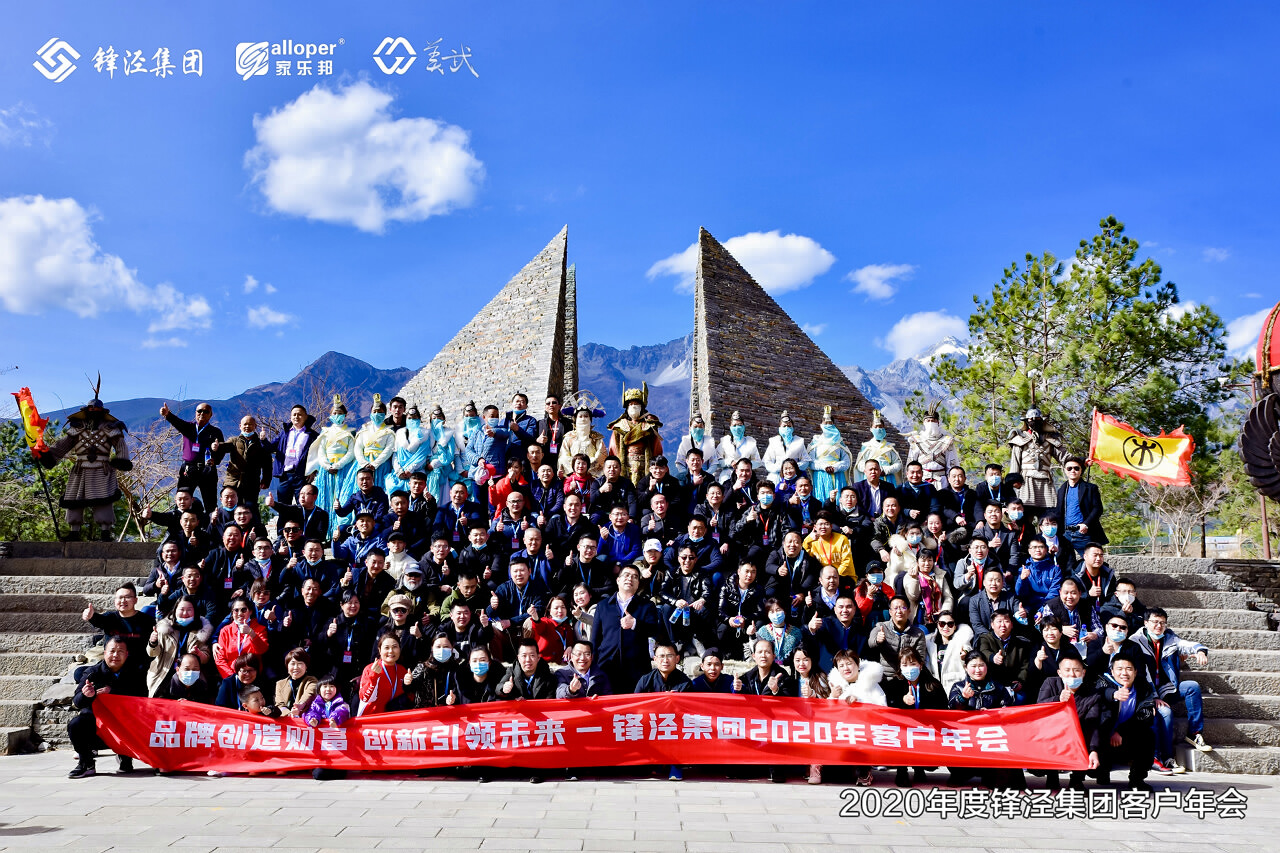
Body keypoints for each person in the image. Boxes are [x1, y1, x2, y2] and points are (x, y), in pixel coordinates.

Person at [36, 385, 133, 541]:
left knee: (104, 500)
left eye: (96, 410)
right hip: (80, 469)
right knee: (73, 499)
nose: (93, 412)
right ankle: (74, 531)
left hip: (102, 469)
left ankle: (105, 532)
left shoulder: (111, 429)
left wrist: (122, 460)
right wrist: (47, 455)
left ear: (103, 412)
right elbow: (63, 445)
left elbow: (120, 445)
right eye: (90, 410)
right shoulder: (76, 429)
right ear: (85, 411)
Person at [1129, 607, 1213, 773]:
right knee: (1165, 714)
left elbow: (1186, 645)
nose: (1158, 626)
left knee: (1192, 687)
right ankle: (1162, 757)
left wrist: (1200, 651)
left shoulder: (1169, 638)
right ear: (1146, 623)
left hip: (1167, 689)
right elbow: (1139, 675)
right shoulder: (1135, 641)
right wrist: (1152, 697)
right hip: (1144, 692)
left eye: (1162, 623)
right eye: (1155, 622)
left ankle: (1194, 733)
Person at [66, 636, 146, 778]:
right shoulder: (92, 673)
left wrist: (113, 693)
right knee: (76, 724)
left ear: (127, 654)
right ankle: (86, 763)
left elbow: (142, 699)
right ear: (104, 653)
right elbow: (77, 702)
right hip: (99, 728)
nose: (115, 655)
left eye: (120, 651)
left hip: (126, 727)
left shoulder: (136, 672)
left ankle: (125, 756)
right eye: (112, 651)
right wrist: (86, 695)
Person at [595, 565, 669, 693]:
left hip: (637, 667)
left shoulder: (647, 605)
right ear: (618, 580)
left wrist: (635, 623)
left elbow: (655, 631)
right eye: (626, 575)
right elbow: (595, 639)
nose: (630, 578)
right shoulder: (603, 606)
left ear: (638, 584)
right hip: (607, 666)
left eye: (635, 577)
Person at [1036, 654, 1103, 790]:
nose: (1072, 674)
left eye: (1076, 670)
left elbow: (1093, 723)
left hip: (1077, 733)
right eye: (1067, 670)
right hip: (1052, 732)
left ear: (1083, 673)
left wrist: (1093, 750)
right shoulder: (1050, 682)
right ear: (1059, 672)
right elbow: (1039, 707)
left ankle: (1077, 779)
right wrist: (1057, 700)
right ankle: (1052, 776)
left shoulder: (1093, 694)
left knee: (1086, 735)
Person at [883, 647, 948, 787]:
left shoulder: (933, 684)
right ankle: (902, 771)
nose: (909, 668)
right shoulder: (894, 684)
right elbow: (887, 708)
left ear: (921, 664)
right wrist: (902, 701)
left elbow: (943, 707)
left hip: (927, 730)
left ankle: (919, 768)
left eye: (913, 664)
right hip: (903, 731)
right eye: (904, 665)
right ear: (900, 666)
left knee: (930, 761)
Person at [1097, 652, 1157, 792]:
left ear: (1135, 672)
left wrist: (1120, 731)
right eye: (1119, 669)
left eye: (1129, 669)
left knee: (1148, 735)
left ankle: (1137, 779)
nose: (1124, 673)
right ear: (1112, 671)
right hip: (1103, 737)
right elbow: (1099, 695)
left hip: (1127, 736)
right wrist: (1113, 694)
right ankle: (1101, 771)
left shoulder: (1143, 686)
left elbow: (1146, 714)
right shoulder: (1102, 682)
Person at [307, 396, 358, 539]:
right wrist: (326, 464)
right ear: (330, 415)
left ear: (345, 415)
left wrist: (338, 464)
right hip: (326, 471)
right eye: (334, 413)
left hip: (344, 469)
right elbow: (321, 451)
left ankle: (340, 531)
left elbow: (351, 451)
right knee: (325, 500)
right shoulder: (325, 432)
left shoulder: (350, 432)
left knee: (341, 499)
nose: (337, 416)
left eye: (340, 413)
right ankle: (325, 532)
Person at [160, 400, 224, 510]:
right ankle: (179, 526)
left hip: (207, 470)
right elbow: (177, 422)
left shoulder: (216, 432)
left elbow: (222, 450)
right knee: (182, 502)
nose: (202, 413)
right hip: (188, 469)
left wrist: (216, 459)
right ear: (195, 413)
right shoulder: (188, 427)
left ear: (211, 415)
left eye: (206, 411)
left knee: (210, 504)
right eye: (199, 411)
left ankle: (211, 526)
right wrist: (168, 414)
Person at [145, 597, 213, 698]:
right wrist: (153, 642)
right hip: (165, 672)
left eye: (189, 610)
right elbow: (152, 653)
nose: (185, 613)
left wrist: (199, 654)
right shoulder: (164, 629)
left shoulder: (201, 631)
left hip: (190, 674)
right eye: (181, 609)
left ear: (195, 612)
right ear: (175, 610)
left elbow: (206, 657)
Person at [82, 583, 155, 674]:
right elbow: (98, 620)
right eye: (119, 598)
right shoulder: (110, 618)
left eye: (127, 597)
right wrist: (90, 615)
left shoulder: (147, 621)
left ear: (135, 600)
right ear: (115, 601)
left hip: (137, 667)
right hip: (114, 665)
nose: (123, 601)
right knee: (80, 672)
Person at [1008, 407, 1066, 520]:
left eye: (1037, 419)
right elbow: (1015, 462)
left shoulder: (1050, 438)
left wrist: (1081, 461)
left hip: (1045, 482)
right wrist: (1014, 480)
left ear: (1042, 420)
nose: (1034, 421)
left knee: (1048, 517)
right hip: (1026, 481)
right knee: (1024, 517)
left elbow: (1064, 457)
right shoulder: (1019, 438)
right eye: (1031, 419)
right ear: (1026, 421)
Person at [210, 415, 273, 511]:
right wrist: (217, 446)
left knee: (251, 509)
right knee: (231, 508)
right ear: (240, 426)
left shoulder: (260, 444)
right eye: (245, 424)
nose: (247, 426)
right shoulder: (234, 440)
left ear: (255, 426)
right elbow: (226, 446)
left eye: (250, 424)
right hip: (233, 481)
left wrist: (266, 480)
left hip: (252, 483)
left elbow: (267, 464)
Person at [866, 596, 928, 688]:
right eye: (895, 608)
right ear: (890, 612)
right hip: (886, 679)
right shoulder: (881, 627)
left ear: (909, 611)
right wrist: (878, 640)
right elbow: (871, 643)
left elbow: (920, 658)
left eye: (903, 608)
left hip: (908, 679)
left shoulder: (918, 633)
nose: (899, 611)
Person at [790, 645, 831, 784]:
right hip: (797, 721)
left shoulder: (821, 678)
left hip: (817, 720)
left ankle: (815, 766)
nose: (801, 664)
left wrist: (813, 695)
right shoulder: (792, 680)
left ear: (812, 660)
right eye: (798, 660)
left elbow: (829, 701)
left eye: (805, 659)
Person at [975, 609, 1032, 701]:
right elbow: (983, 651)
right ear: (992, 625)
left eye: (1006, 621)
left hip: (1012, 684)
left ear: (1012, 624)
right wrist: (993, 657)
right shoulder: (985, 638)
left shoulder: (1020, 643)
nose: (1003, 625)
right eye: (999, 621)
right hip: (991, 684)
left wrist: (1020, 681)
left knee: (1021, 698)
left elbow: (1024, 666)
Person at [715, 562, 768, 659]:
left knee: (760, 624)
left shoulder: (758, 589)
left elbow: (761, 612)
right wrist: (729, 619)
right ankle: (724, 654)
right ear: (739, 572)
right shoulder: (726, 587)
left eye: (753, 572)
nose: (749, 575)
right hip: (731, 621)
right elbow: (720, 611)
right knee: (722, 628)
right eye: (746, 571)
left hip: (747, 622)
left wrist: (745, 619)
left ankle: (753, 652)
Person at [1057, 456, 1107, 554]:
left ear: (1081, 470)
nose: (1073, 470)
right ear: (1065, 470)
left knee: (1092, 562)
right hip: (1065, 534)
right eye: (1069, 468)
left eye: (1076, 468)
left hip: (1083, 533)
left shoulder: (1090, 488)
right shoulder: (1061, 490)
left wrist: (1086, 524)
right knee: (1065, 565)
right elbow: (1058, 511)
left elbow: (1098, 509)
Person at [270, 405, 318, 507]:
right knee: (283, 506)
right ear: (290, 417)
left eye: (300, 414)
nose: (296, 417)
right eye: (294, 414)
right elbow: (270, 447)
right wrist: (263, 440)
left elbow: (318, 455)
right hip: (285, 475)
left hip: (302, 475)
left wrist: (314, 470)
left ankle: (304, 523)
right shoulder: (284, 433)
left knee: (304, 505)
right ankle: (283, 523)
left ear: (306, 417)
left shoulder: (312, 435)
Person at [905, 402, 959, 488]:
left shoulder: (947, 441)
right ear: (924, 422)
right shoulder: (916, 441)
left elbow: (952, 465)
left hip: (942, 481)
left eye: (933, 421)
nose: (931, 423)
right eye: (928, 421)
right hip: (921, 480)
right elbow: (911, 463)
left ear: (938, 422)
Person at [358, 633, 411, 715]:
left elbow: (409, 697)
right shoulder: (370, 669)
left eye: (395, 647)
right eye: (386, 647)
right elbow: (365, 698)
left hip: (395, 719)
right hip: (372, 719)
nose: (391, 651)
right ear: (379, 650)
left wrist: (408, 685)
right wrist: (374, 676)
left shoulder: (402, 670)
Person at [810, 406, 854, 501]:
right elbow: (811, 462)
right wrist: (824, 467)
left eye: (830, 423)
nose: (828, 425)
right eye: (826, 423)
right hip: (821, 476)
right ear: (821, 424)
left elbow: (846, 462)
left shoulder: (840, 443)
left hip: (838, 475)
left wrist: (836, 467)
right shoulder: (815, 442)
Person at [925, 609, 972, 695]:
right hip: (936, 688)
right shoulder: (929, 643)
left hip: (955, 687)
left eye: (950, 624)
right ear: (938, 625)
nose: (945, 627)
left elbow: (967, 648)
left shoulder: (961, 641)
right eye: (942, 624)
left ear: (955, 626)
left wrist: (965, 656)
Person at [1015, 536, 1063, 616]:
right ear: (1029, 551)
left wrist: (1042, 610)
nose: (1037, 550)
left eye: (1041, 547)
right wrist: (1022, 580)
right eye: (1034, 547)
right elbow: (1020, 594)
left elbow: (1054, 593)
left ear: (1046, 549)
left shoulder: (1055, 570)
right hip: (1028, 608)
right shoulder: (1023, 570)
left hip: (1049, 607)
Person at [560, 404, 609, 479]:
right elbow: (564, 457)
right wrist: (577, 468)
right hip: (573, 477)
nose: (583, 419)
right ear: (575, 419)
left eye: (586, 416)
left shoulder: (596, 438)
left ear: (590, 419)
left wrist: (587, 466)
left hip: (593, 477)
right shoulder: (568, 437)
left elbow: (601, 456)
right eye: (580, 416)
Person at [802, 512, 854, 579]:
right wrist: (808, 540)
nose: (823, 527)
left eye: (826, 524)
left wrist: (834, 576)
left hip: (843, 576)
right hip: (822, 578)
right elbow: (803, 556)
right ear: (815, 527)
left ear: (831, 526)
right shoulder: (812, 541)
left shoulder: (842, 539)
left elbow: (846, 562)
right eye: (820, 524)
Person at [717, 410, 762, 483]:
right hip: (728, 475)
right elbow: (716, 460)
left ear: (744, 427)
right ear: (730, 427)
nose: (737, 428)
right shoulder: (725, 441)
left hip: (745, 475)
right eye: (734, 425)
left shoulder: (750, 442)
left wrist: (745, 465)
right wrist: (729, 462)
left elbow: (758, 462)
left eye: (740, 425)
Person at [275, 648, 319, 717]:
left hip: (305, 719)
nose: (296, 667)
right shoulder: (280, 684)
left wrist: (300, 705)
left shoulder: (312, 681)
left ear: (306, 666)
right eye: (292, 664)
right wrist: (289, 714)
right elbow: (280, 704)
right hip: (286, 721)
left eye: (300, 663)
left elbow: (309, 694)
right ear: (287, 666)